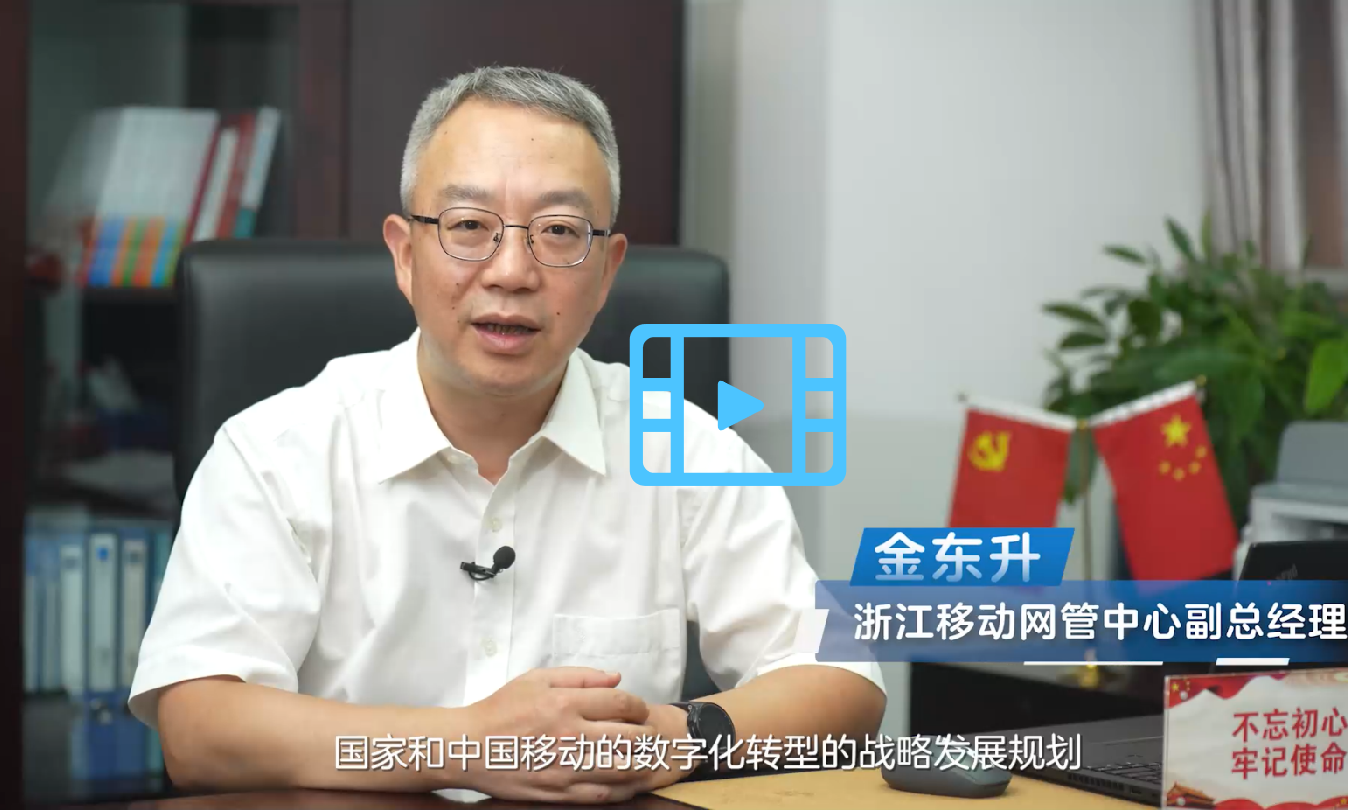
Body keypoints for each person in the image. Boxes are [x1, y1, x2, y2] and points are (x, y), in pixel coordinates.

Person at [128, 66, 885, 804]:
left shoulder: (684, 450)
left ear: (606, 270)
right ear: (405, 254)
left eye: (559, 232)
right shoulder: (276, 451)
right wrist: (469, 745)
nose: (512, 271)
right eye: (468, 227)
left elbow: (842, 682)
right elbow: (200, 726)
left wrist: (673, 737)